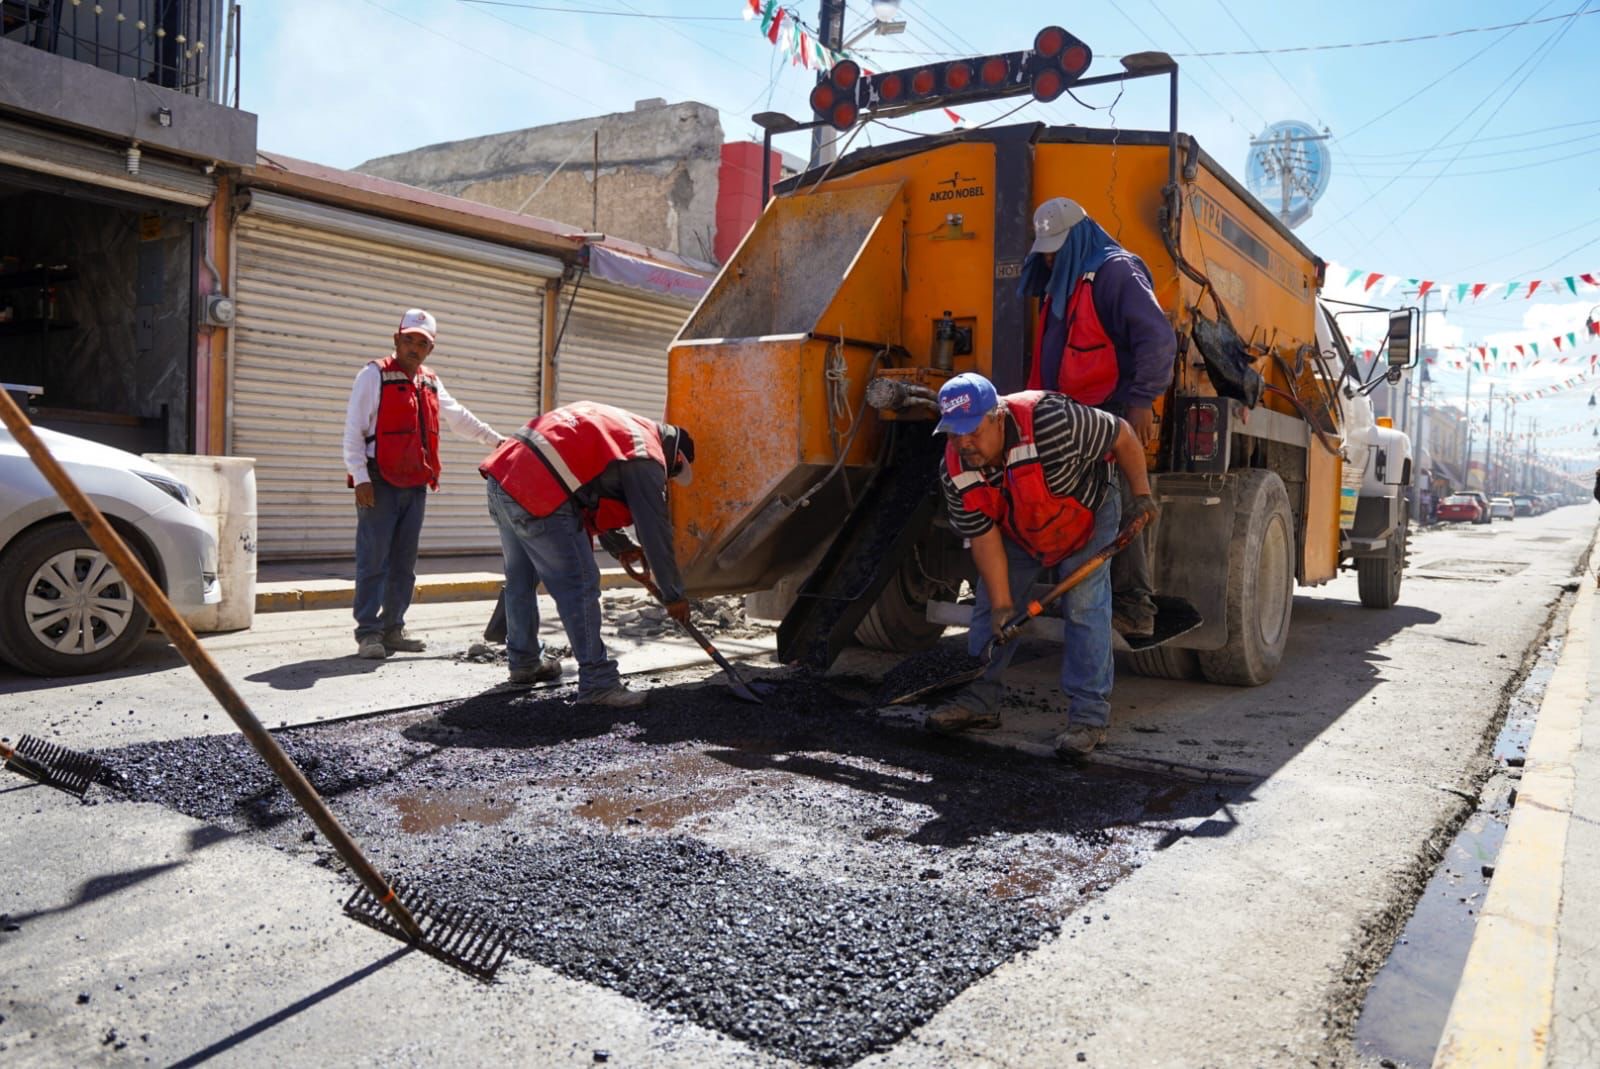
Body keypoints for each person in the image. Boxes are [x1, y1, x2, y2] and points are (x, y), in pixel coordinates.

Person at [926, 372, 1158, 758]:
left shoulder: (1052, 421)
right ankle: (980, 702)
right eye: (954, 434)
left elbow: (1122, 435)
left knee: (1084, 606)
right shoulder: (955, 471)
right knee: (988, 606)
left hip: (1087, 512)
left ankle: (1089, 718)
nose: (964, 443)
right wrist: (1003, 604)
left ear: (998, 417)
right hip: (1022, 527)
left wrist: (1142, 496)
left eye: (972, 431)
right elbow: (984, 538)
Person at [1019, 196, 1176, 639]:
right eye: (1044, 249)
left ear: (1080, 236)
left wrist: (1141, 402)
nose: (1048, 257)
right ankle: (1080, 593)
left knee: (1122, 503)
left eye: (1055, 247)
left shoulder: (1116, 272)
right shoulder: (1064, 280)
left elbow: (1157, 338)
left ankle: (1133, 606)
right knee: (1078, 507)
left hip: (1111, 415)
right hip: (1067, 415)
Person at [479, 400, 695, 704]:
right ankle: (598, 682)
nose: (665, 478)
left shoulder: (624, 428)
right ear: (677, 455)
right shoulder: (647, 455)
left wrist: (619, 545)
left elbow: (588, 482)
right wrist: (674, 594)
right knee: (579, 585)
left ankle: (524, 662)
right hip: (539, 488)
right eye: (671, 474)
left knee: (520, 580)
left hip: (505, 476)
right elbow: (653, 529)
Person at [342, 308, 503, 660]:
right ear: (396, 339)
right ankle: (368, 633)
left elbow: (458, 416)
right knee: (373, 559)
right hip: (379, 479)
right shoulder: (373, 375)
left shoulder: (429, 380)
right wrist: (360, 477)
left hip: (415, 481)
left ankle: (393, 628)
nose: (414, 347)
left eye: (422, 343)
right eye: (409, 339)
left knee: (403, 561)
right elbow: (353, 429)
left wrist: (497, 442)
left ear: (430, 349)